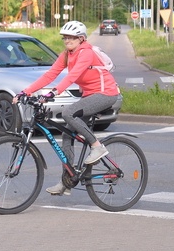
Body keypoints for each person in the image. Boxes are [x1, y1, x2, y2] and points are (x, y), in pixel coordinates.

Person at [16, 20, 122, 196]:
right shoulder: (67, 54)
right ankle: (67, 180)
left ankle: (97, 147)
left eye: (71, 38)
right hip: (89, 95)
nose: (67, 41)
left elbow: (73, 76)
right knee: (67, 134)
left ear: (81, 38)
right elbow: (51, 74)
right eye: (65, 38)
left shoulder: (86, 52)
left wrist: (54, 93)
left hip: (106, 93)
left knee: (68, 113)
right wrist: (25, 92)